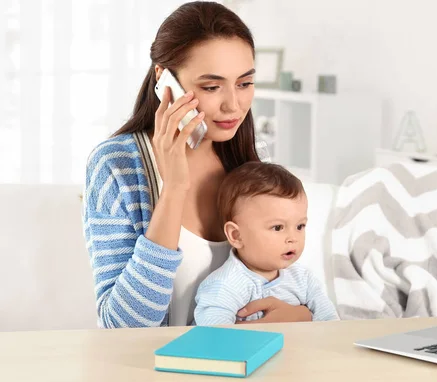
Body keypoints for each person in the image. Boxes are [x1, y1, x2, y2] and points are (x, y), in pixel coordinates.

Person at [82, 1, 313, 328]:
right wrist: (174, 189)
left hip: (245, 364)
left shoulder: (248, 157)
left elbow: (282, 276)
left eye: (244, 83)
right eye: (211, 87)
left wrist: (303, 314)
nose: (233, 104)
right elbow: (122, 327)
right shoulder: (116, 165)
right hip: (158, 374)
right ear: (164, 80)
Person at [194, 162, 339, 326]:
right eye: (278, 227)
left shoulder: (304, 280)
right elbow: (213, 336)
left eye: (300, 226)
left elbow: (332, 325)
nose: (293, 238)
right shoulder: (225, 285)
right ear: (237, 236)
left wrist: (307, 317)